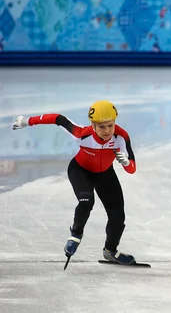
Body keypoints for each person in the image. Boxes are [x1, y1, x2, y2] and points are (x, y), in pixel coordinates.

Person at [11, 100, 138, 265]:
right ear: (92, 125)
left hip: (105, 174)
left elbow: (132, 169)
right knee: (86, 201)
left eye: (110, 125)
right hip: (80, 171)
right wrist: (25, 121)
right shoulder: (81, 133)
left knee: (118, 216)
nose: (107, 131)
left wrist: (126, 163)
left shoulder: (121, 136)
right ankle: (76, 234)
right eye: (101, 126)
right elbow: (57, 119)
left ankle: (110, 251)